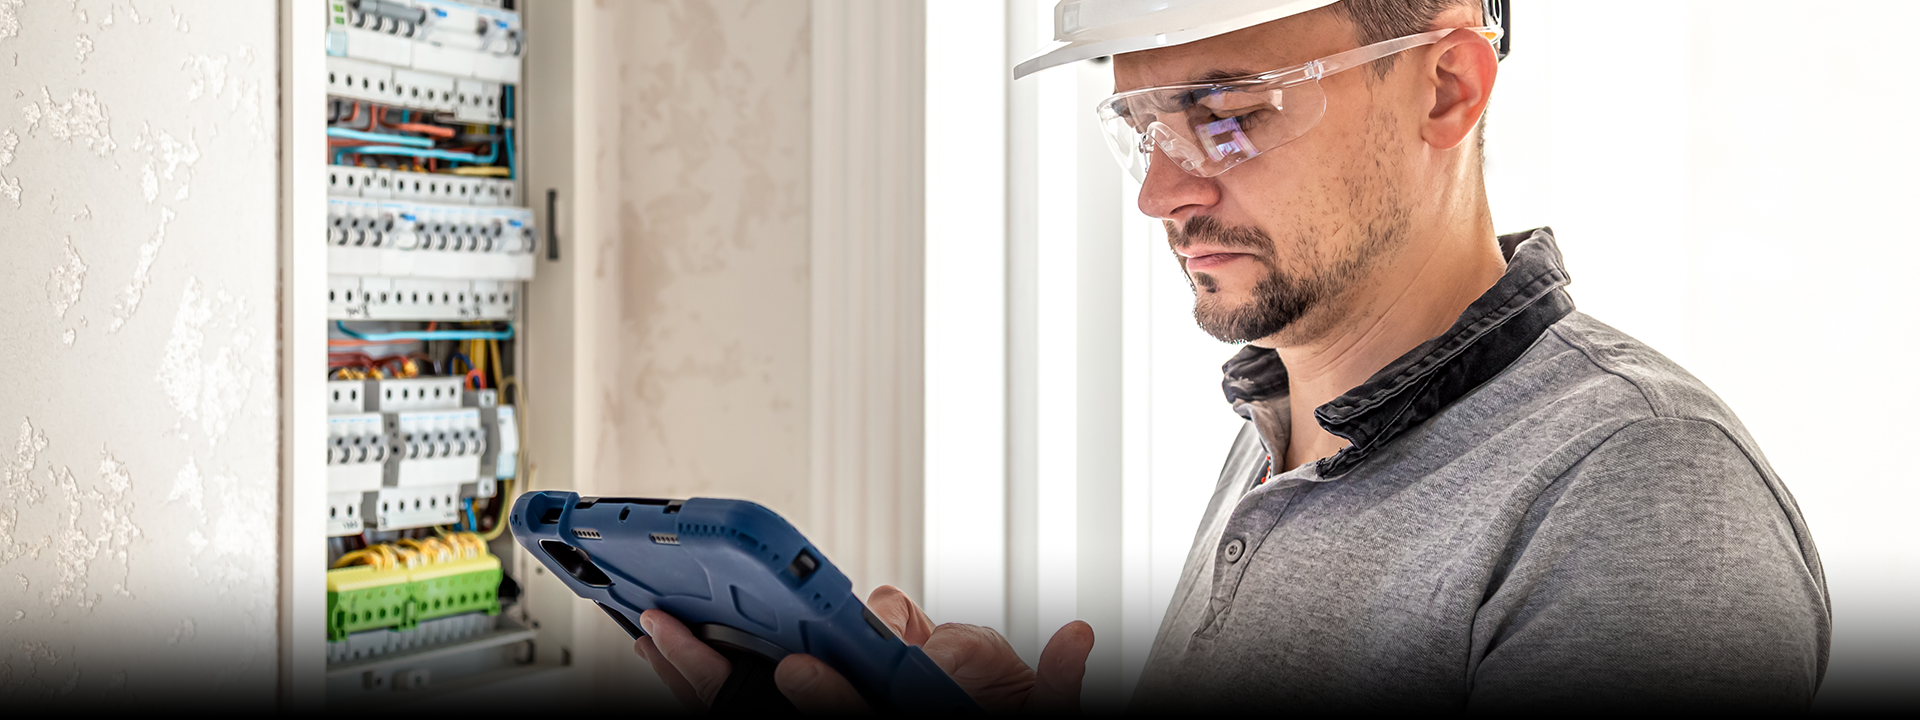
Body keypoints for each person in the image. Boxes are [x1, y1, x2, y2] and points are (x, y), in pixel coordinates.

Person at [636, 0, 1830, 711]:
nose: (1162, 189)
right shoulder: (1286, 428)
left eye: (1227, 112)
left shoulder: (1643, 494)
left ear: (1448, 86)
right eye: (1143, 124)